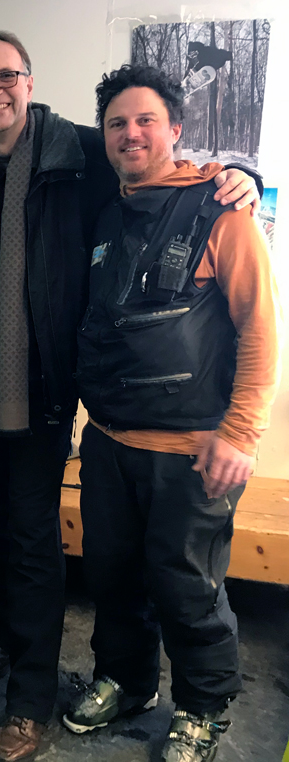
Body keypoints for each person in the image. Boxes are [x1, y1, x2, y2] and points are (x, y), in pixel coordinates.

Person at [0, 30, 260, 761]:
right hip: (41, 410)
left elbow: (184, 196)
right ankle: (42, 650)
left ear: (31, 81)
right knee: (56, 554)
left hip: (63, 401)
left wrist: (233, 176)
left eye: (7, 75)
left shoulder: (85, 161)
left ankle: (40, 700)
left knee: (119, 565)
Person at [63, 64, 280, 762]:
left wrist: (240, 433)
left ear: (175, 128)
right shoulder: (105, 217)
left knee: (187, 586)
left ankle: (204, 708)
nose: (130, 133)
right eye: (117, 123)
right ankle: (126, 683)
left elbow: (260, 331)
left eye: (145, 119)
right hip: (107, 442)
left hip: (192, 449)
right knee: (113, 576)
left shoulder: (224, 211)